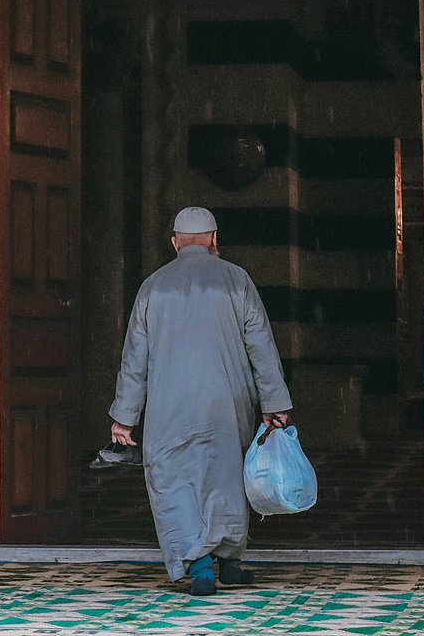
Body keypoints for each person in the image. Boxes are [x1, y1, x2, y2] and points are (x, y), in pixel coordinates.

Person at [109, 206, 293, 596]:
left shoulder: (153, 286)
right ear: (214, 240)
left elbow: (134, 359)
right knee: (225, 477)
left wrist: (124, 417)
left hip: (168, 406)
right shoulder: (236, 280)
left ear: (175, 242)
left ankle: (200, 565)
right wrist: (274, 402)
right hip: (226, 401)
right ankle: (229, 562)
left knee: (175, 482)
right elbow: (261, 346)